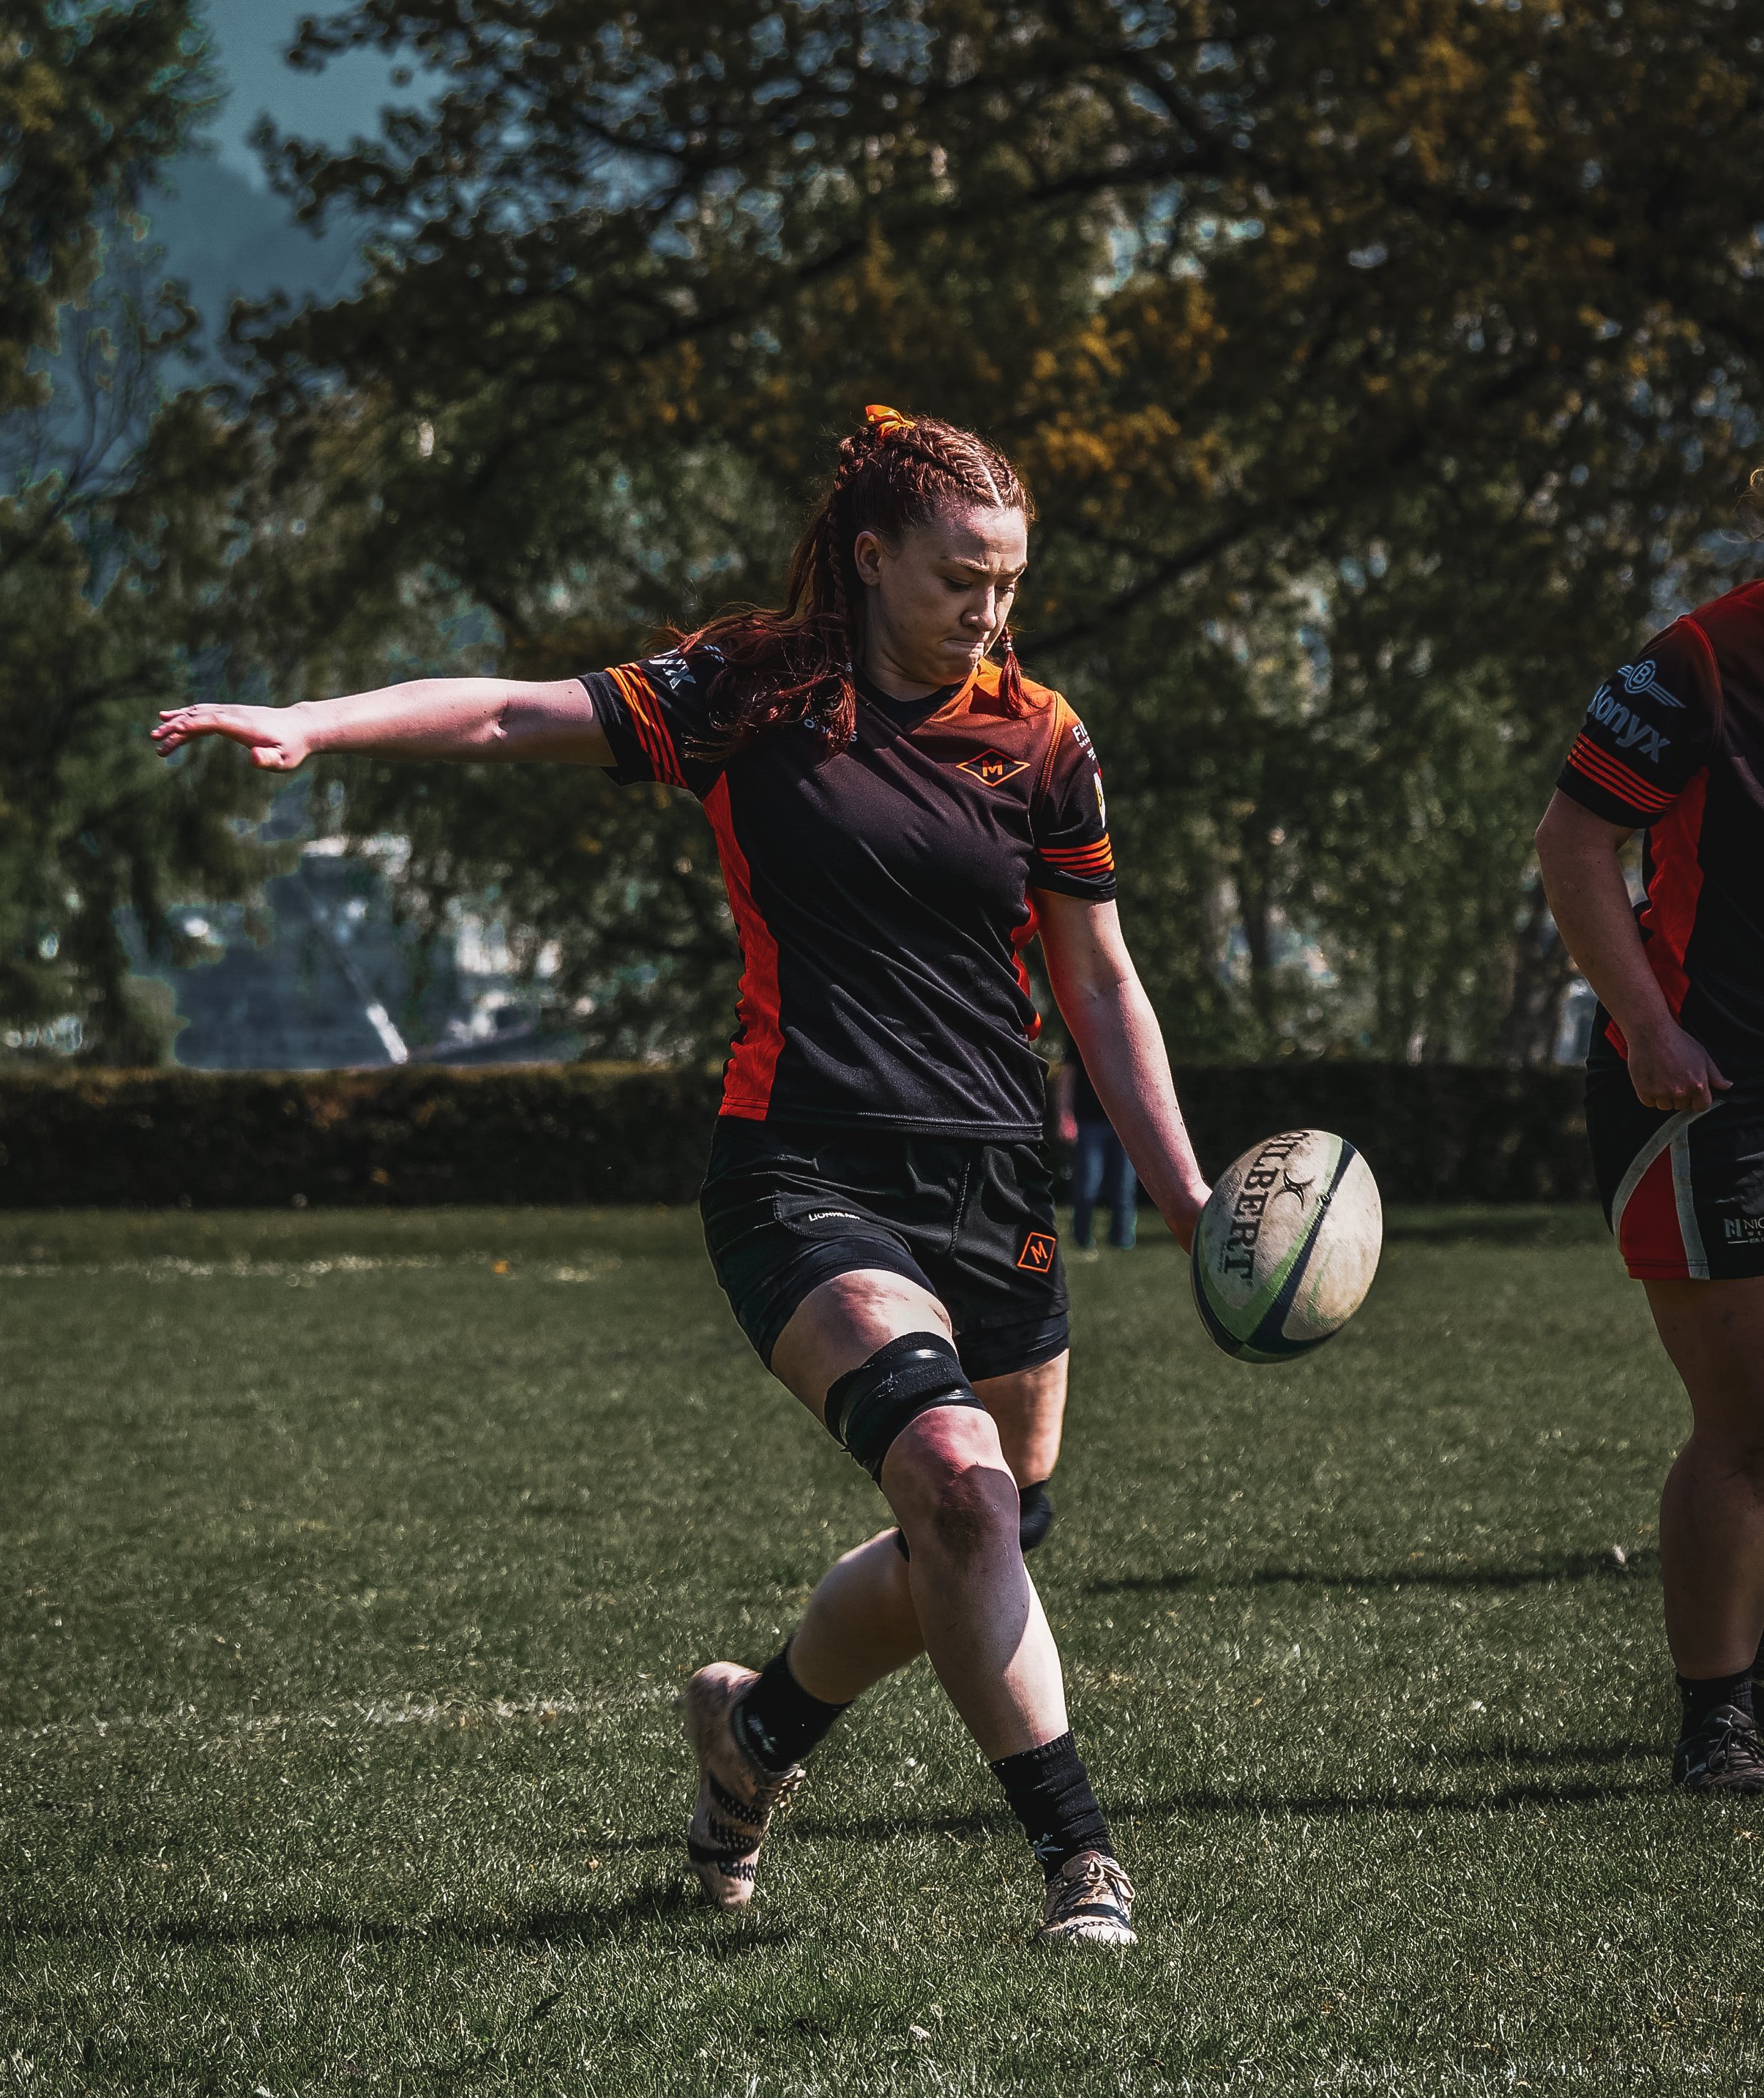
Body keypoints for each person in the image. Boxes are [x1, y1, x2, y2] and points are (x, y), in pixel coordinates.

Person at [154, 405, 1212, 1940]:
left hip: (992, 1184)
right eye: (956, 577)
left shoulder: (1040, 736)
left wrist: (1186, 1198)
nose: (987, 610)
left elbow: (1102, 983)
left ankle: (753, 1734)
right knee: (963, 1498)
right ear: (868, 559)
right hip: (799, 1171)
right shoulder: (751, 691)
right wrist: (315, 724)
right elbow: (517, 714)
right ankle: (1079, 1858)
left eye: (1006, 581)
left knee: (989, 1524)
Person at [1535, 570, 1764, 1793]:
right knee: (1752, 1423)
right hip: (1705, 1086)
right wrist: (1650, 1028)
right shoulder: (1697, 665)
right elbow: (1573, 841)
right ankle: (1716, 1724)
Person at [1055, 1048, 1139, 1251]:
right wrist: (1064, 1115)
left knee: (1124, 1187)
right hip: (1088, 1123)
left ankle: (1123, 1241)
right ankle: (1082, 1239)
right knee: (1088, 1186)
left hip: (1124, 1123)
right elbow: (1068, 1074)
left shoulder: (1131, 1028)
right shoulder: (1082, 1022)